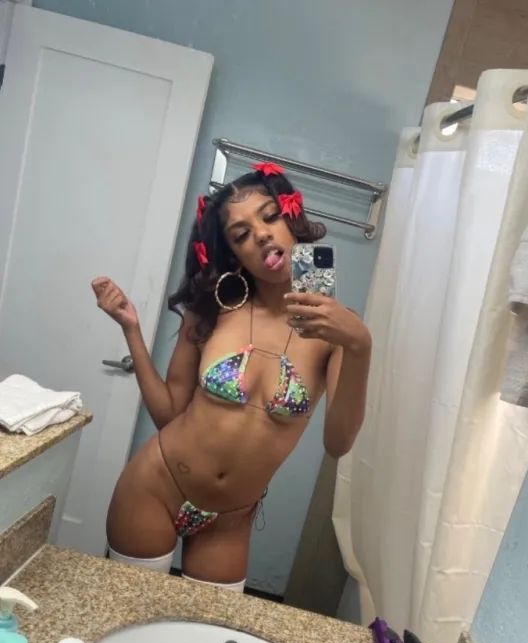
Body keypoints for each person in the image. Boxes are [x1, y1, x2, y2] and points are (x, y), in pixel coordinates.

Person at [92, 163, 371, 591]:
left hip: (230, 521)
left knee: (203, 630)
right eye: (241, 234)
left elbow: (338, 444)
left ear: (291, 220)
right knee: (126, 612)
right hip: (155, 487)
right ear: (234, 253)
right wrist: (132, 329)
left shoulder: (337, 332)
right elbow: (169, 414)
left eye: (270, 216)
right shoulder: (214, 309)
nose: (260, 235)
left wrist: (359, 345)